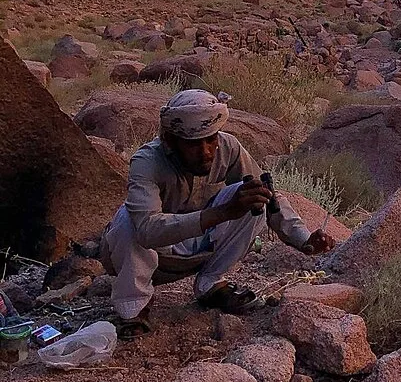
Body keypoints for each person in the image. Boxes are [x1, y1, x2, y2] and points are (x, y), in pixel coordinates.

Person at [100, 89, 335, 339]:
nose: (206, 152)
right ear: (170, 141)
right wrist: (222, 212)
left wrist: (302, 238)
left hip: (197, 249)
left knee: (251, 195)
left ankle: (210, 284)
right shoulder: (147, 160)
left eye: (210, 139)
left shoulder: (228, 147)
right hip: (152, 255)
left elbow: (265, 194)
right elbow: (148, 231)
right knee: (128, 219)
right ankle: (133, 308)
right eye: (193, 144)